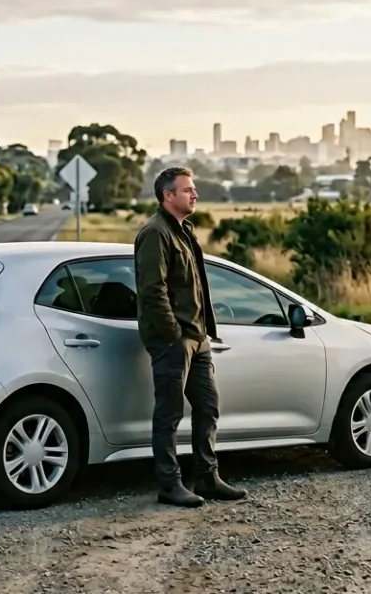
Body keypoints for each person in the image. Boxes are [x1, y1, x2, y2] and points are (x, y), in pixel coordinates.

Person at [134, 166, 247, 507]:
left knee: (208, 406)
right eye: (187, 190)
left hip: (197, 337)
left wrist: (199, 334)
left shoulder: (185, 231)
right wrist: (173, 334)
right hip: (175, 338)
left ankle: (207, 477)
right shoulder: (155, 233)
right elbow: (153, 290)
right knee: (169, 413)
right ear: (168, 196)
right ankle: (170, 485)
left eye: (193, 189)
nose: (194, 195)